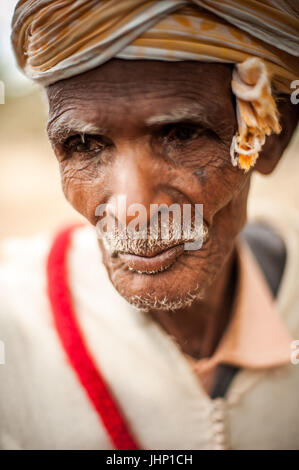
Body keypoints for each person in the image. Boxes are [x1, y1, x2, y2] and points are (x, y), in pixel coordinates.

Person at [0, 0, 298, 450]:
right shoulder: (13, 322)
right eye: (83, 143)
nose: (131, 208)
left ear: (270, 137)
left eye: (181, 134)